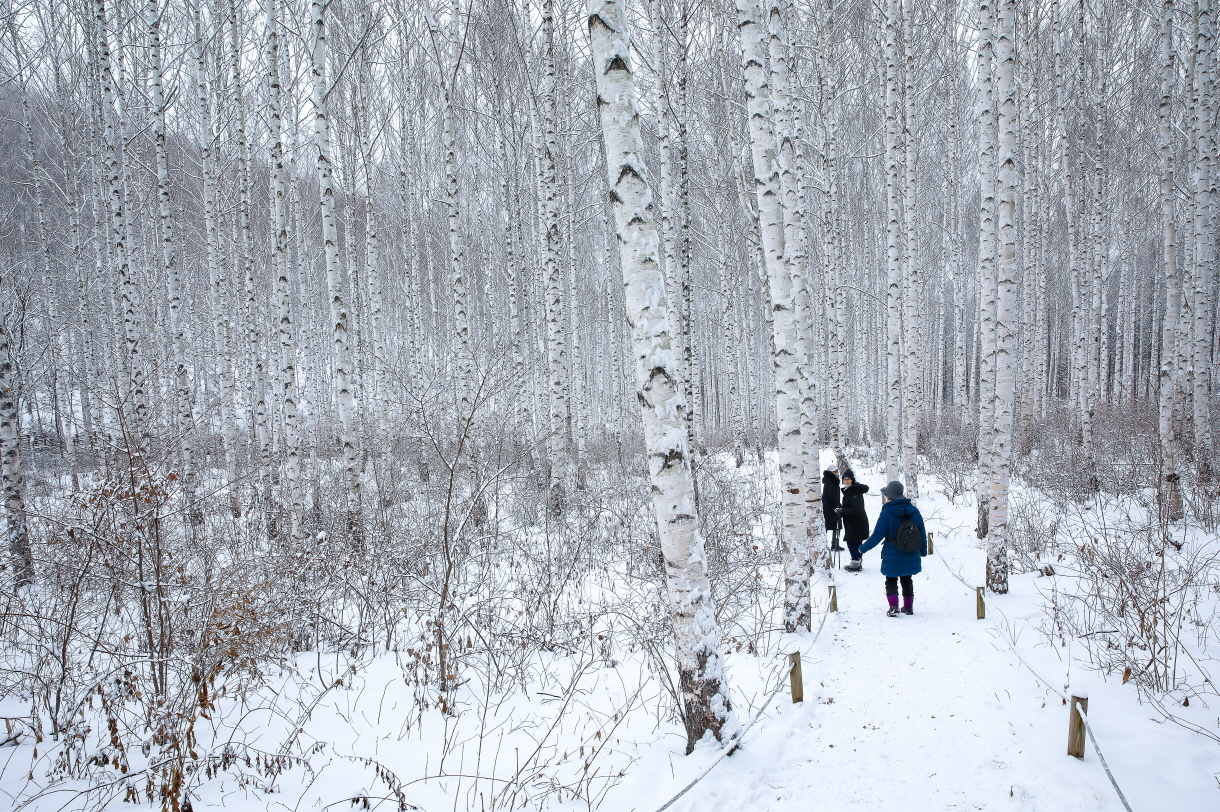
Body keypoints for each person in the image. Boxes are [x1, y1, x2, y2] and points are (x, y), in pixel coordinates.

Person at [858, 480, 927, 617]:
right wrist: (923, 551)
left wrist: (862, 549)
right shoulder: (914, 511)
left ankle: (893, 607)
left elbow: (877, 536)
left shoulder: (887, 513)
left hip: (892, 553)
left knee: (891, 580)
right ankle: (908, 607)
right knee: (907, 580)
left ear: (889, 496)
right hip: (911, 552)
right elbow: (922, 532)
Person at [836, 469, 869, 572]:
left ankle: (855, 562)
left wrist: (842, 510)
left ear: (852, 480)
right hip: (854, 521)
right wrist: (841, 509)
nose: (846, 481)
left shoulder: (854, 492)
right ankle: (857, 562)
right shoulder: (850, 491)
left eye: (848, 479)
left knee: (851, 542)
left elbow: (856, 509)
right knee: (857, 542)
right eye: (844, 479)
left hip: (856, 522)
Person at [822, 467, 843, 551]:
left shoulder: (833, 481)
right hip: (830, 507)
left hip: (832, 506)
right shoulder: (830, 482)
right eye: (834, 471)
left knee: (836, 526)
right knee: (832, 525)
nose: (836, 473)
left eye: (836, 471)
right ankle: (829, 544)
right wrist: (837, 505)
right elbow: (832, 496)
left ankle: (834, 544)